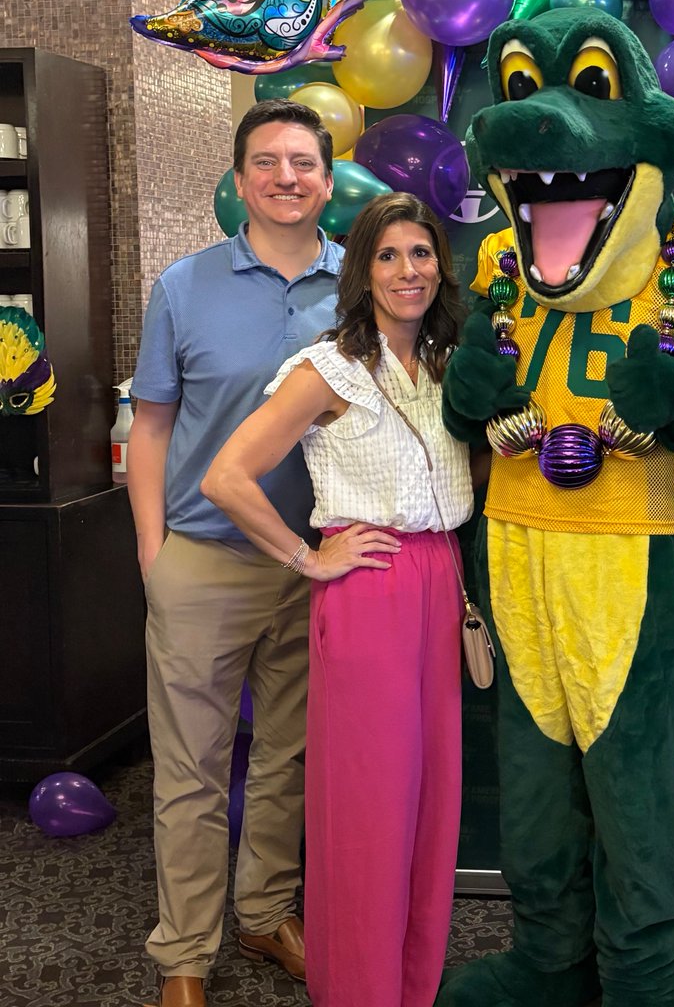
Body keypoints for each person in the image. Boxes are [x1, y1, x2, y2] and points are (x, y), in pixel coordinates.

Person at [202, 192, 473, 1007]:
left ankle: (411, 986)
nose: (407, 271)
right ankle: (359, 991)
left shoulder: (450, 361)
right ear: (361, 271)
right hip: (371, 589)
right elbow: (226, 476)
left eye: (420, 254)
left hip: (442, 576)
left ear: (439, 265)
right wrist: (305, 557)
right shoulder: (330, 367)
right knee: (370, 806)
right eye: (387, 256)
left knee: (430, 802)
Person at [127, 99, 343, 1007]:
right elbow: (152, 428)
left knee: (291, 757)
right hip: (204, 561)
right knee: (191, 769)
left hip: (319, 562)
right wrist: (153, 553)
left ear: (328, 178)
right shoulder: (184, 285)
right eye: (266, 162)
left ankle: (264, 914)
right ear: (240, 177)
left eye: (302, 161)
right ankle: (184, 953)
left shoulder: (363, 284)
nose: (286, 177)